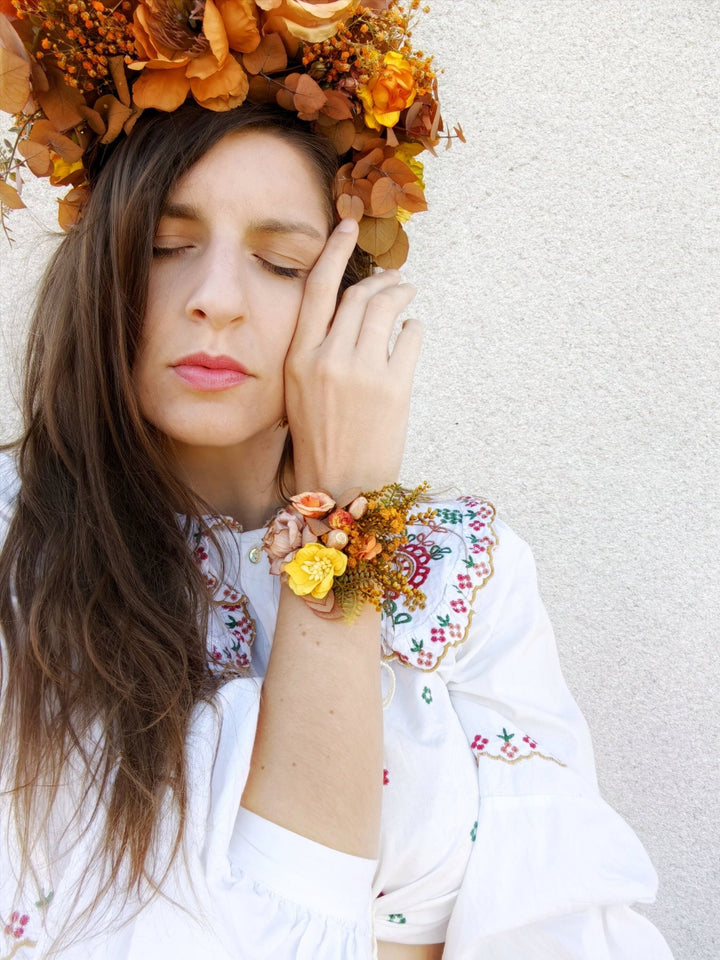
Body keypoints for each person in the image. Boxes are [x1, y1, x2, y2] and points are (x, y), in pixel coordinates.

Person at [0, 2, 674, 958]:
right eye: (164, 244)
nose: (216, 300)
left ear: (343, 295)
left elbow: (566, 923)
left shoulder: (460, 570)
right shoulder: (16, 555)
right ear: (100, 264)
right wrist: (338, 533)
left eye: (281, 262)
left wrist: (349, 511)